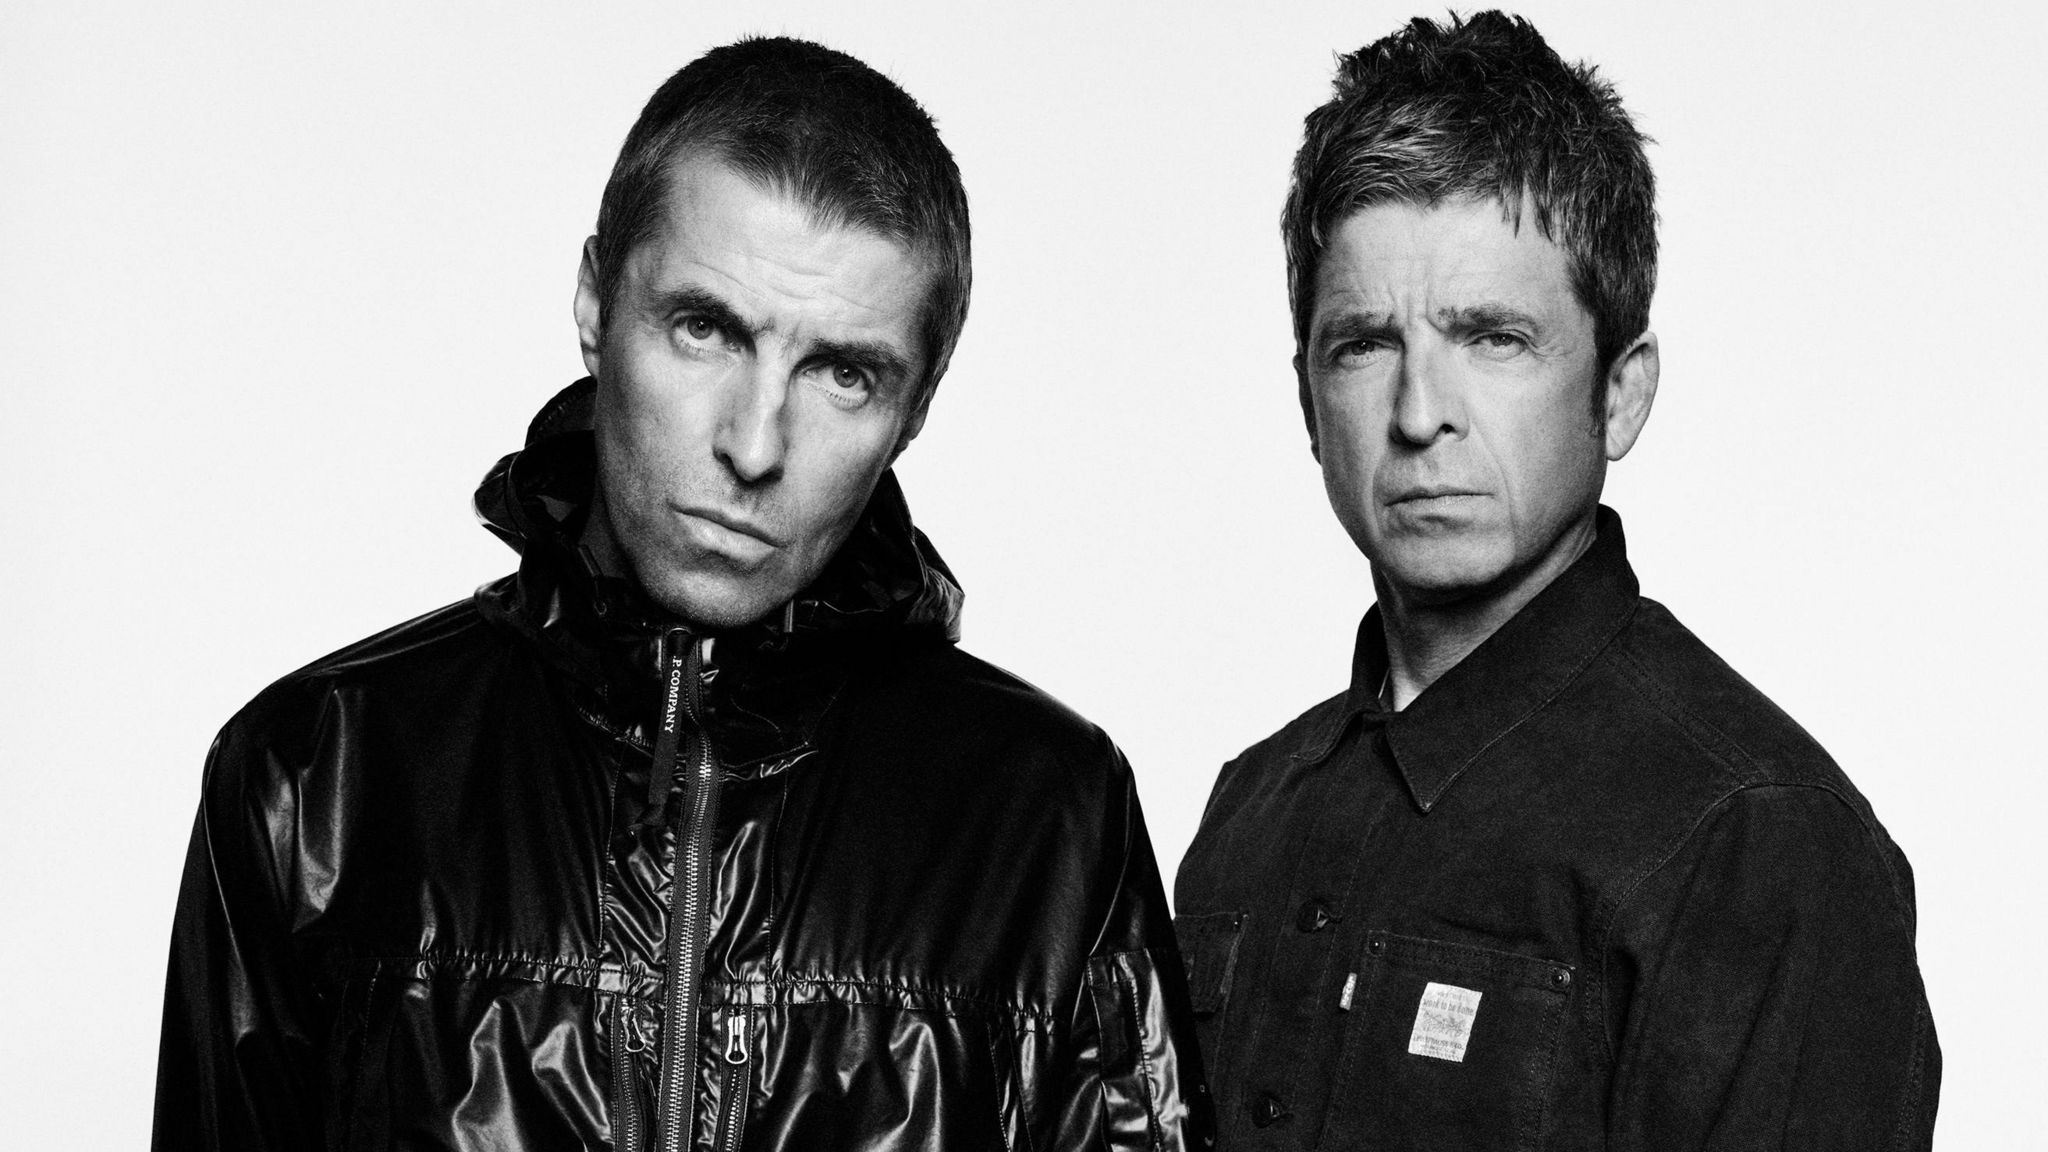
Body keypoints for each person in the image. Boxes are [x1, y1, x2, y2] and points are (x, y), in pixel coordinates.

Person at [154, 36, 1207, 1152]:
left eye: (842, 373)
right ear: (595, 300)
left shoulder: (1047, 818)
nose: (754, 445)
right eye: (703, 329)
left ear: (917, 408)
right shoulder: (317, 781)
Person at [1173, 12, 1938, 1150]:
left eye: (1493, 338)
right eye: (1364, 343)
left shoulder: (1757, 846)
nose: (1419, 413)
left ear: (1620, 392)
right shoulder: (1249, 808)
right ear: (1304, 400)